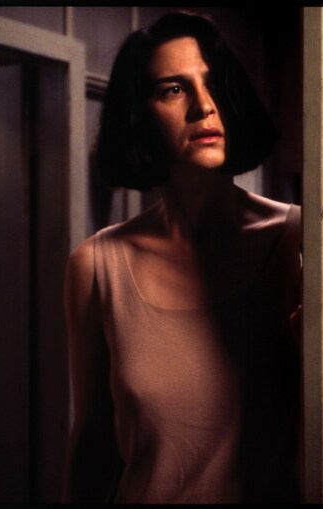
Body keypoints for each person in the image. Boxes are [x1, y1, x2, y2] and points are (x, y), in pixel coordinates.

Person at [61, 12, 302, 504]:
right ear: (140, 113)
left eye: (213, 84)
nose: (204, 106)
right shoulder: (96, 266)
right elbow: (91, 442)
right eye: (173, 89)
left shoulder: (300, 240)